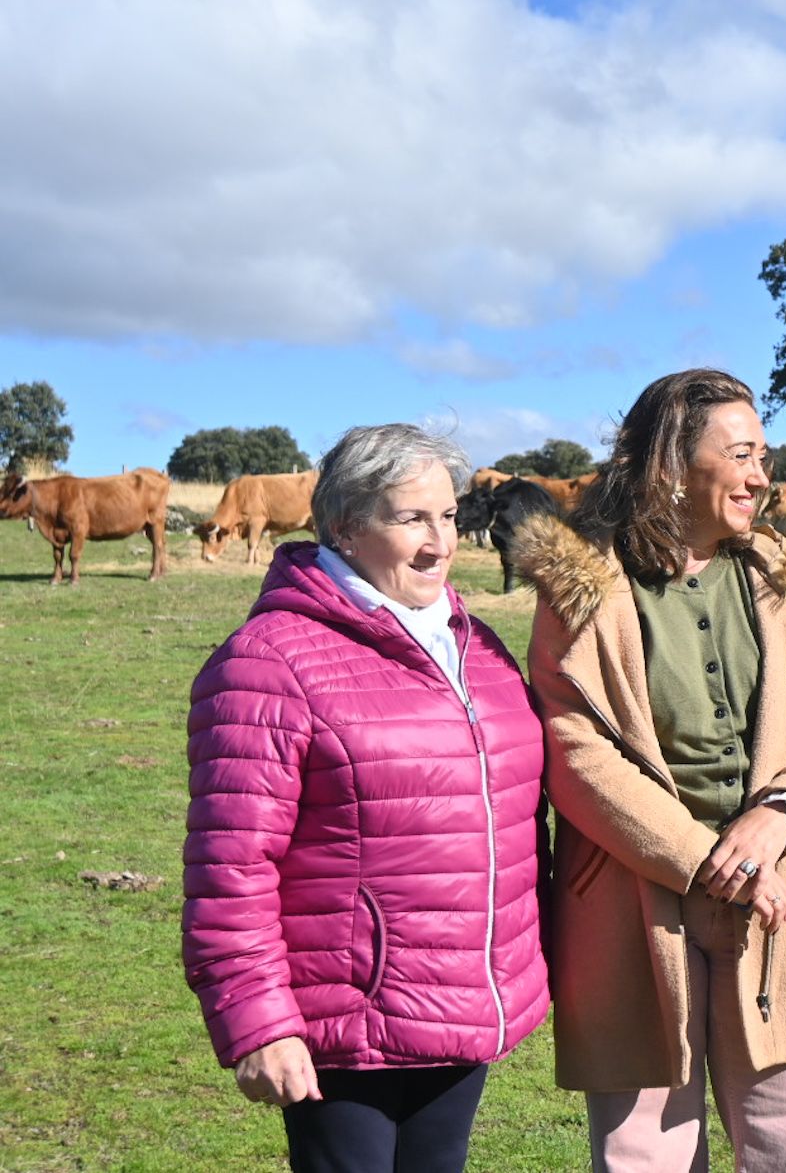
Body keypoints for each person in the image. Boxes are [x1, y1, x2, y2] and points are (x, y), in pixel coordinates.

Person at [515, 369, 786, 1171]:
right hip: (633, 900)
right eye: (741, 455)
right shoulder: (583, 587)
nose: (760, 476)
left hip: (778, 891)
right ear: (672, 466)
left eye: (762, 454)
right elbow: (576, 756)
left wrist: (778, 815)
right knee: (647, 1149)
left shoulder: (783, 575)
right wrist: (709, 860)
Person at [182, 424, 549, 1172]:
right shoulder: (270, 661)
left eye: (447, 516)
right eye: (411, 518)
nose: (439, 543)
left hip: (460, 1005)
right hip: (346, 1027)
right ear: (344, 525)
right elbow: (231, 865)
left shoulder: (475, 646)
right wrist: (258, 1024)